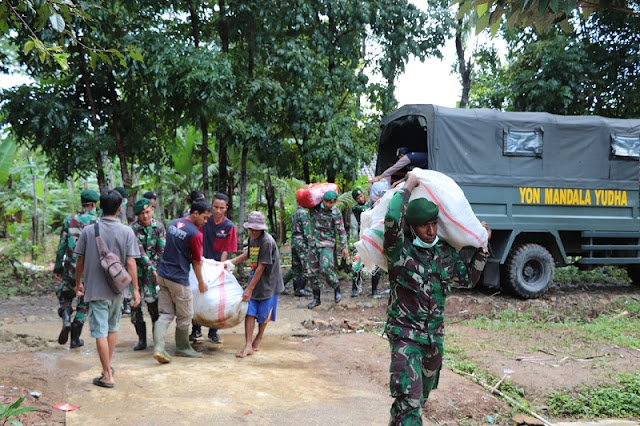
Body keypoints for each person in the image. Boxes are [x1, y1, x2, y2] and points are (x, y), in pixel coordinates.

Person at [384, 172, 491, 425]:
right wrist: (408, 186)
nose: (431, 231)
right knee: (409, 403)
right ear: (411, 227)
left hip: (434, 341)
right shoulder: (400, 253)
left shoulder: (443, 253)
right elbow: (391, 218)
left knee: (414, 403)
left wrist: (483, 248)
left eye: (434, 224)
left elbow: (467, 280)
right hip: (405, 338)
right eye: (424, 225)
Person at [74, 189, 141, 388]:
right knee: (112, 329)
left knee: (100, 331)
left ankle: (107, 375)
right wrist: (135, 289)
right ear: (120, 209)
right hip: (119, 288)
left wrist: (78, 282)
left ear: (100, 207)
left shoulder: (88, 230)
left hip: (96, 290)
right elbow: (131, 263)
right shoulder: (127, 231)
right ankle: (107, 368)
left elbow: (80, 261)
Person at [153, 198, 212, 364]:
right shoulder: (195, 234)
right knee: (185, 315)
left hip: (163, 275)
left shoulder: (173, 224)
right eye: (204, 217)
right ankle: (183, 347)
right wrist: (201, 282)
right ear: (195, 213)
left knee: (165, 314)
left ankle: (158, 348)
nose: (206, 221)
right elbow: (196, 261)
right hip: (178, 279)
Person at [226, 211, 284, 358]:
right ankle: (248, 345)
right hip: (256, 280)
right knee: (250, 312)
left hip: (269, 283)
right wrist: (230, 262)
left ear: (262, 229)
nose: (253, 231)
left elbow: (261, 267)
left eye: (256, 229)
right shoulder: (252, 238)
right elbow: (248, 254)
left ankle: (259, 337)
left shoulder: (267, 242)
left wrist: (249, 289)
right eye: (251, 229)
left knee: (264, 314)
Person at [53, 189, 100, 349]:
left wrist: (58, 267)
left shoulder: (69, 220)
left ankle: (66, 317)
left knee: (65, 295)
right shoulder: (97, 222)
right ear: (93, 205)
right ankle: (75, 338)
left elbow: (62, 246)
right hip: (90, 269)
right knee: (84, 302)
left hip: (71, 267)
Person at [190, 192, 237, 344]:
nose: (218, 210)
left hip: (217, 266)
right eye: (215, 207)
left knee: (217, 299)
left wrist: (220, 267)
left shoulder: (229, 227)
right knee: (196, 294)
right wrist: (200, 261)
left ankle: (213, 331)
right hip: (201, 263)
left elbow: (227, 250)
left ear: (226, 208)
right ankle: (195, 329)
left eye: (221, 208)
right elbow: (198, 241)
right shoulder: (204, 221)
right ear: (211, 206)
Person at [130, 198, 166, 351]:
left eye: (147, 212)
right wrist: (153, 269)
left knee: (154, 306)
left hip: (154, 274)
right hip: (136, 273)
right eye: (141, 214)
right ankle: (141, 340)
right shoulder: (132, 230)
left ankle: (157, 341)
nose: (145, 216)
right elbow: (140, 253)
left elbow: (162, 248)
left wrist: (160, 270)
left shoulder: (159, 227)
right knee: (135, 306)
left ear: (152, 210)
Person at [306, 190, 349, 309]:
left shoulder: (335, 212)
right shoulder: (314, 208)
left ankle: (336, 288)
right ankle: (316, 298)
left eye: (331, 202)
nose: (328, 205)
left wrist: (344, 246)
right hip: (313, 243)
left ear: (335, 201)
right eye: (326, 202)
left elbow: (341, 230)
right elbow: (305, 201)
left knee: (326, 268)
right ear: (322, 200)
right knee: (312, 272)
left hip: (327, 243)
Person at [350, 188, 382, 297]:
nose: (360, 199)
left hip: (373, 237)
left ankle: (374, 290)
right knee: (358, 263)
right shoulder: (356, 208)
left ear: (364, 194)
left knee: (376, 264)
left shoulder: (372, 204)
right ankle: (355, 289)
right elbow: (367, 210)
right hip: (363, 238)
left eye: (361, 196)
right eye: (357, 198)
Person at [285, 205, 312, 297]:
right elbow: (306, 230)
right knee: (306, 266)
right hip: (301, 241)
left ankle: (296, 288)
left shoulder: (295, 213)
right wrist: (310, 243)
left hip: (294, 241)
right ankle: (301, 288)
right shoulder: (303, 213)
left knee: (296, 266)